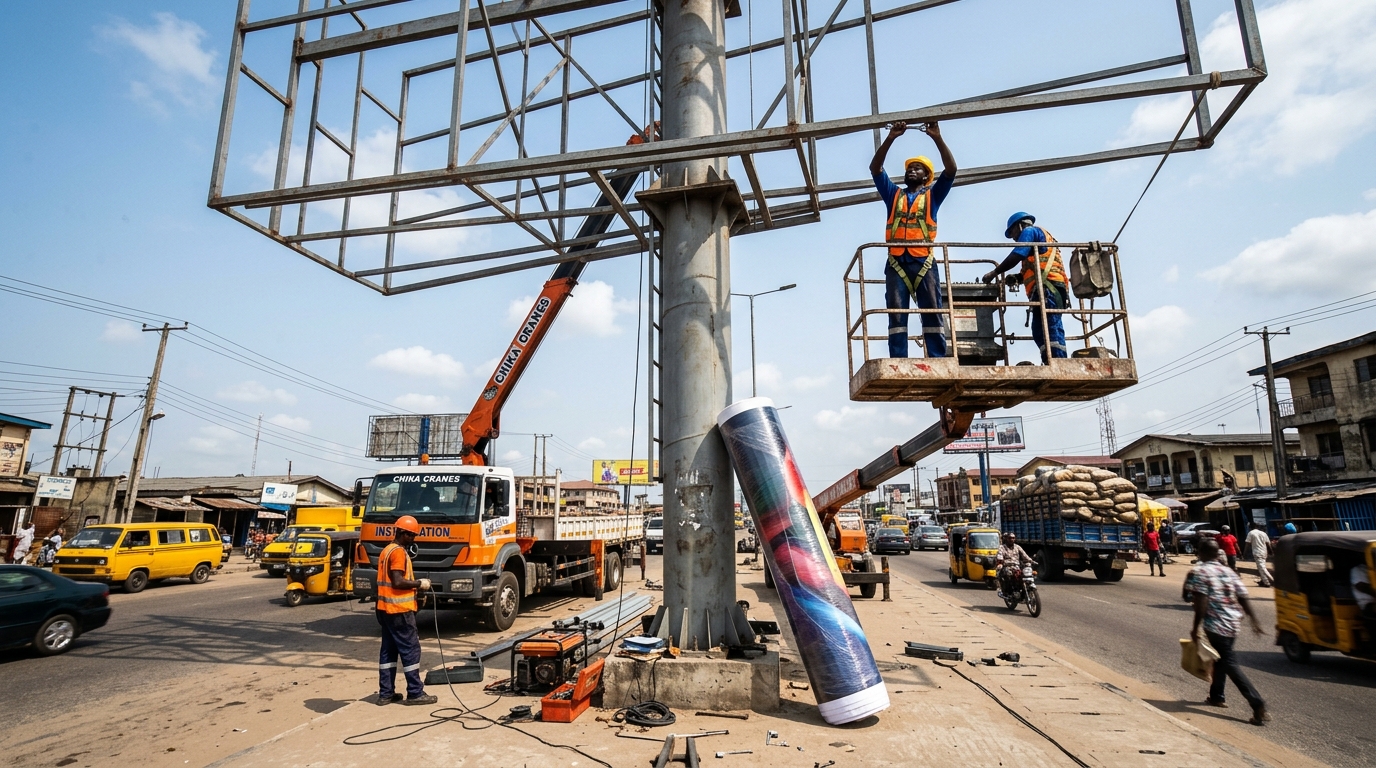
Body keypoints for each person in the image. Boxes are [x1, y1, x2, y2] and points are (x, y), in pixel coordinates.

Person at [868, 121, 957, 359]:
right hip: (897, 262)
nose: (911, 171)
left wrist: (937, 137)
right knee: (896, 314)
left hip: (923, 262)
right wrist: (891, 138)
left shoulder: (933, 196)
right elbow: (875, 168)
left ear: (927, 176)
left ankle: (937, 357)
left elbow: (951, 171)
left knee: (932, 311)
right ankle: (898, 358)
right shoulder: (893, 195)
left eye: (918, 168)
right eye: (910, 168)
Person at [1184, 539, 1268, 725]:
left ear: (1201, 553)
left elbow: (1201, 603)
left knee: (1229, 663)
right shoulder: (1228, 571)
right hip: (1232, 624)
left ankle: (1257, 702)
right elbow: (1243, 596)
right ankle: (1216, 696)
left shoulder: (1200, 571)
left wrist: (1195, 627)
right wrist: (1253, 620)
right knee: (1221, 660)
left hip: (1215, 626)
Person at [981, 213, 1069, 363]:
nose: (1014, 238)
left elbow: (1017, 254)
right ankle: (1048, 361)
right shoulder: (1035, 245)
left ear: (1020, 225)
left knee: (1051, 326)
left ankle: (1058, 362)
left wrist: (995, 272)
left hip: (1049, 289)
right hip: (1044, 290)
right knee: (1039, 329)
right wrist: (1016, 278)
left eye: (1013, 233)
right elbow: (1030, 269)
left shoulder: (1030, 231)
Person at [375, 515, 437, 706]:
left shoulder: (386, 550)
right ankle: (415, 692)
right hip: (399, 610)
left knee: (388, 651)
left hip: (385, 610)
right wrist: (420, 584)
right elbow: (398, 581)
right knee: (411, 649)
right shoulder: (399, 553)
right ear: (402, 533)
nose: (413, 540)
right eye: (411, 536)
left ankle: (386, 693)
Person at [996, 532, 1033, 598]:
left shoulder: (1017, 547)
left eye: (1013, 538)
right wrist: (1000, 562)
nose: (1011, 539)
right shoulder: (1002, 547)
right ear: (1006, 539)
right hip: (1007, 566)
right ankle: (1009, 592)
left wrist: (1031, 560)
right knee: (1008, 574)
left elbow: (1025, 555)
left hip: (1017, 566)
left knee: (1024, 574)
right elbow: (999, 556)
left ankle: (1022, 589)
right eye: (1010, 538)